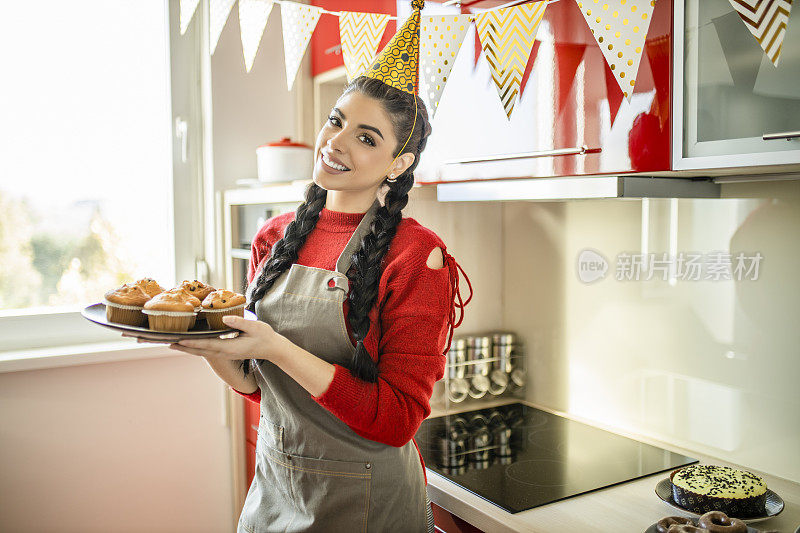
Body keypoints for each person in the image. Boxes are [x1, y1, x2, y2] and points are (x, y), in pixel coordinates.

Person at [168, 3, 472, 531]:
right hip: (277, 488)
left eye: (366, 137)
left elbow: (397, 420)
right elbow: (260, 385)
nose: (336, 142)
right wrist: (211, 348)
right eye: (337, 121)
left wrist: (273, 346)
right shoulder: (275, 237)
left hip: (368, 502)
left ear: (399, 163)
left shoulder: (418, 257)